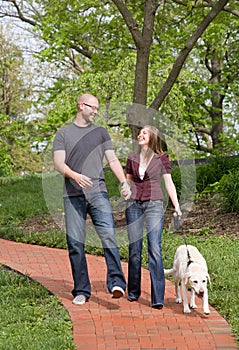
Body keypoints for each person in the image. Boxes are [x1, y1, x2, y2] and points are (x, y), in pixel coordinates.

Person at [53, 93, 131, 305]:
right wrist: (75, 176)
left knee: (109, 237)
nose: (95, 111)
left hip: (98, 193)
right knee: (75, 243)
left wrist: (123, 181)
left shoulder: (100, 133)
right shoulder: (63, 134)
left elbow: (112, 159)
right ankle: (81, 290)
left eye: (97, 108)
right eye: (92, 107)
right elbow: (59, 163)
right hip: (73, 195)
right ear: (81, 106)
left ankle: (116, 283)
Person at [125, 125, 181, 309]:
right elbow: (128, 180)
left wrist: (177, 206)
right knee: (134, 250)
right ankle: (133, 292)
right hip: (133, 204)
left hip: (154, 204)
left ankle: (157, 297)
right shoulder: (131, 157)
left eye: (145, 133)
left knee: (154, 249)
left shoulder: (162, 158)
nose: (140, 134)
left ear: (153, 137)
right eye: (140, 132)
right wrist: (124, 190)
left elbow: (169, 183)